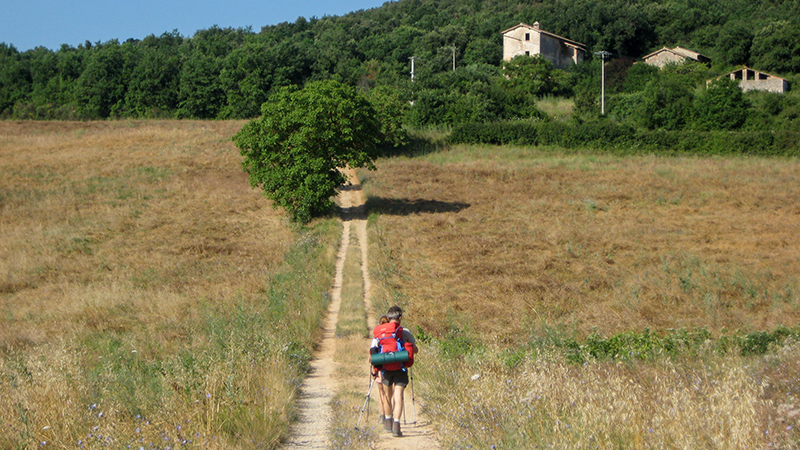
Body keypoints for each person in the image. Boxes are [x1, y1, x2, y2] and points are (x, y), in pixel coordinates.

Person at [371, 305, 418, 437]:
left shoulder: (380, 332)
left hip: (386, 368)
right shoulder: (405, 331)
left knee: (387, 395)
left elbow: (373, 351)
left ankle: (388, 420)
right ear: (400, 317)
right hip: (400, 368)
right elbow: (415, 350)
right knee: (398, 395)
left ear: (388, 317)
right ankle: (397, 424)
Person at [373, 315, 390, 425]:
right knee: (390, 394)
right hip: (391, 367)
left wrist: (374, 371)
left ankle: (382, 415)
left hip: (379, 368)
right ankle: (390, 416)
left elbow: (372, 354)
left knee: (381, 393)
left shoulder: (377, 337)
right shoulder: (392, 335)